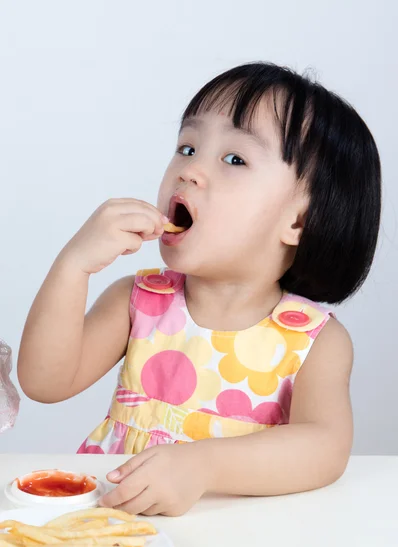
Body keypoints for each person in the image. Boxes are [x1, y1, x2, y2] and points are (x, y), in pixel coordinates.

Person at [18, 62, 381, 516]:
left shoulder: (314, 340)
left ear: (299, 221)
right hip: (113, 523)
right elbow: (44, 382)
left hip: (235, 536)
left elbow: (324, 448)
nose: (189, 171)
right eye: (187, 147)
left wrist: (204, 466)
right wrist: (74, 266)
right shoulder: (139, 301)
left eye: (234, 159)